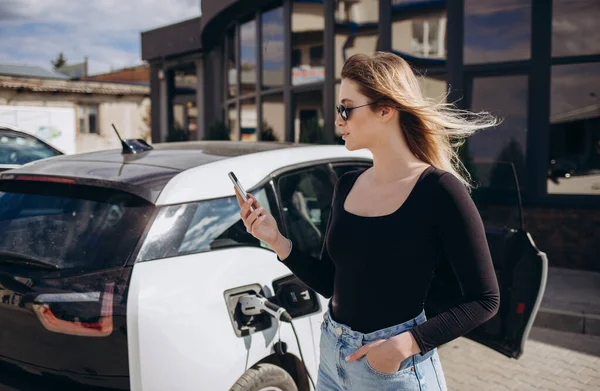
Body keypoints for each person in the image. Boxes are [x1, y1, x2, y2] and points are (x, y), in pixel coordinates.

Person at [235, 52, 500, 391]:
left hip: (394, 370)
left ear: (386, 110)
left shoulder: (440, 190)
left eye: (346, 108)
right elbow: (333, 284)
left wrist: (404, 345)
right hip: (333, 354)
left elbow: (485, 299)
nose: (338, 121)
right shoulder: (347, 185)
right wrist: (276, 241)